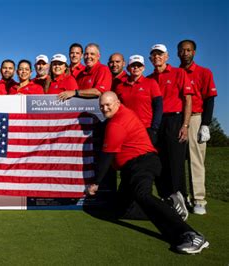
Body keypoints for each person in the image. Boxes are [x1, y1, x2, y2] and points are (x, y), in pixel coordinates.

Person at [87, 91, 209, 255]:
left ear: (117, 103)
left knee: (142, 194)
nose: (104, 108)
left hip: (141, 163)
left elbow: (107, 157)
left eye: (108, 104)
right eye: (101, 106)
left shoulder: (116, 124)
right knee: (121, 210)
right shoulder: (123, 113)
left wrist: (95, 182)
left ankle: (190, 235)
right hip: (133, 167)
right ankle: (170, 207)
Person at [147, 44, 193, 217]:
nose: (157, 57)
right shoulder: (149, 78)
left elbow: (188, 100)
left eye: (160, 54)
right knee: (159, 161)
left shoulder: (179, 73)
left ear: (166, 57)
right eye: (154, 55)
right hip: (157, 122)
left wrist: (185, 125)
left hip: (175, 119)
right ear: (151, 59)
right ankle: (166, 197)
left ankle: (181, 198)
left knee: (175, 161)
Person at [178, 40, 218, 215]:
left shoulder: (204, 72)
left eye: (188, 50)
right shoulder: (176, 72)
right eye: (182, 50)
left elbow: (209, 99)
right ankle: (181, 197)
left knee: (196, 160)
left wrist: (206, 124)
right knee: (177, 160)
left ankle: (199, 200)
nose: (185, 53)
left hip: (195, 118)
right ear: (178, 53)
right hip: (177, 118)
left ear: (194, 52)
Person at [114, 55, 162, 146]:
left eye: (139, 65)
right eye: (133, 65)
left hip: (146, 128)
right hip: (126, 128)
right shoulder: (120, 86)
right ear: (128, 68)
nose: (136, 67)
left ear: (143, 68)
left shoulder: (151, 83)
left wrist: (154, 128)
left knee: (146, 157)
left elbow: (158, 106)